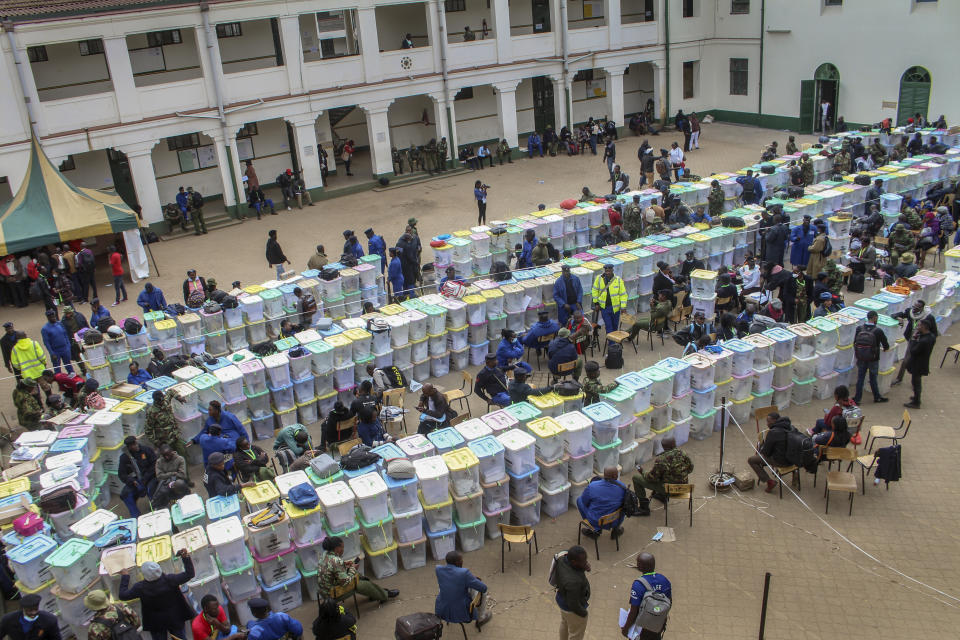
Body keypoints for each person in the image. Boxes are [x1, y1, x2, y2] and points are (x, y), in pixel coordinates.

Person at [118, 550, 195, 640]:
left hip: (155, 623)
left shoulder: (140, 588)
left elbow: (123, 595)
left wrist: (125, 576)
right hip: (175, 618)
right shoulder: (170, 580)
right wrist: (185, 558)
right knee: (179, 638)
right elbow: (190, 574)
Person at [318, 536, 399, 602]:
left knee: (360, 577)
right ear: (337, 548)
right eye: (342, 547)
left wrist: (344, 565)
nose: (343, 550)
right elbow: (346, 582)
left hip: (325, 589)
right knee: (362, 584)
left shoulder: (325, 555)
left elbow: (332, 569)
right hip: (333, 593)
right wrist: (353, 568)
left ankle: (376, 594)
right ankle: (385, 595)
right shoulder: (336, 560)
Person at [633, 436, 693, 513]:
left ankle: (644, 508)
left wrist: (642, 471)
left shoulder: (661, 460)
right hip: (684, 488)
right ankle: (661, 496)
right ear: (674, 444)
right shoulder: (683, 453)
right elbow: (691, 469)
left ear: (664, 447)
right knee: (663, 477)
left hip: (669, 490)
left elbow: (651, 478)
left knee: (636, 478)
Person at [621, 552, 672, 640]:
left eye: (638, 563)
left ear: (641, 567)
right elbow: (670, 602)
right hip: (658, 625)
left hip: (642, 627)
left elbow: (634, 611)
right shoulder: (664, 580)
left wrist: (626, 629)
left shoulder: (638, 585)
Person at [748, 412, 794, 493]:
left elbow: (766, 452)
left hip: (781, 461)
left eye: (769, 421)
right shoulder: (791, 427)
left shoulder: (773, 432)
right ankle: (796, 476)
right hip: (793, 459)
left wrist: (762, 448)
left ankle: (769, 482)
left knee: (752, 460)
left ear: (775, 421)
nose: (767, 424)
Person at [577, 466, 627, 538]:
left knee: (579, 500)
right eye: (617, 474)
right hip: (615, 520)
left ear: (604, 475)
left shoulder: (592, 486)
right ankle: (616, 530)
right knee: (621, 506)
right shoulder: (622, 486)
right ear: (615, 476)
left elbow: (584, 502)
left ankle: (594, 530)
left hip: (597, 521)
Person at [853, 310, 890, 405]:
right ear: (875, 318)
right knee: (873, 378)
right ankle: (877, 397)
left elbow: (855, 342)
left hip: (861, 357)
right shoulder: (878, 331)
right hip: (873, 358)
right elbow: (885, 344)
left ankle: (857, 399)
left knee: (860, 378)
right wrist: (886, 348)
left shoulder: (859, 328)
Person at [554, 545, 591, 640]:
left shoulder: (563, 559)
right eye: (583, 561)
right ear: (574, 562)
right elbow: (573, 604)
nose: (586, 562)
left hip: (561, 599)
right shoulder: (573, 582)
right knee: (576, 635)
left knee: (565, 623)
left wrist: (584, 567)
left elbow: (575, 568)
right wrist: (584, 613)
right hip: (572, 609)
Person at [118, 435, 157, 517]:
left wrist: (146, 477)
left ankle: (155, 508)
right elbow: (122, 474)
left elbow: (154, 465)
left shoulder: (146, 450)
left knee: (151, 489)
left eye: (135, 443)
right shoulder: (124, 457)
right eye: (132, 445)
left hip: (149, 478)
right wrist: (132, 481)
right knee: (125, 494)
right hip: (136, 481)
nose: (135, 446)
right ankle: (135, 515)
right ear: (128, 447)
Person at [904, 316, 936, 409]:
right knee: (917, 382)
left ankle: (916, 401)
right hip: (923, 363)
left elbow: (913, 350)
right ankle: (916, 397)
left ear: (924, 327)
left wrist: (914, 340)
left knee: (916, 382)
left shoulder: (923, 341)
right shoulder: (931, 337)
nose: (918, 327)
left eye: (920, 326)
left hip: (918, 364)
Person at [592, 263, 627, 334]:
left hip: (615, 309)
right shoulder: (599, 279)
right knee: (608, 325)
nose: (607, 273)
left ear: (612, 270)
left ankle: (613, 340)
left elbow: (623, 295)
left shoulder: (618, 280)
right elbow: (594, 290)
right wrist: (596, 303)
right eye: (606, 271)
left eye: (609, 271)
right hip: (604, 308)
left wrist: (623, 307)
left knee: (615, 326)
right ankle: (612, 343)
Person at [41, 309, 72, 374]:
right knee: (57, 368)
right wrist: (51, 353)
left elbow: (65, 334)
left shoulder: (60, 324)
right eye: (51, 317)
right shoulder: (45, 329)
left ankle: (73, 378)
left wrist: (68, 346)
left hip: (65, 348)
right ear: (48, 318)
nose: (53, 318)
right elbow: (46, 342)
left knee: (68, 365)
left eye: (54, 316)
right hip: (55, 351)